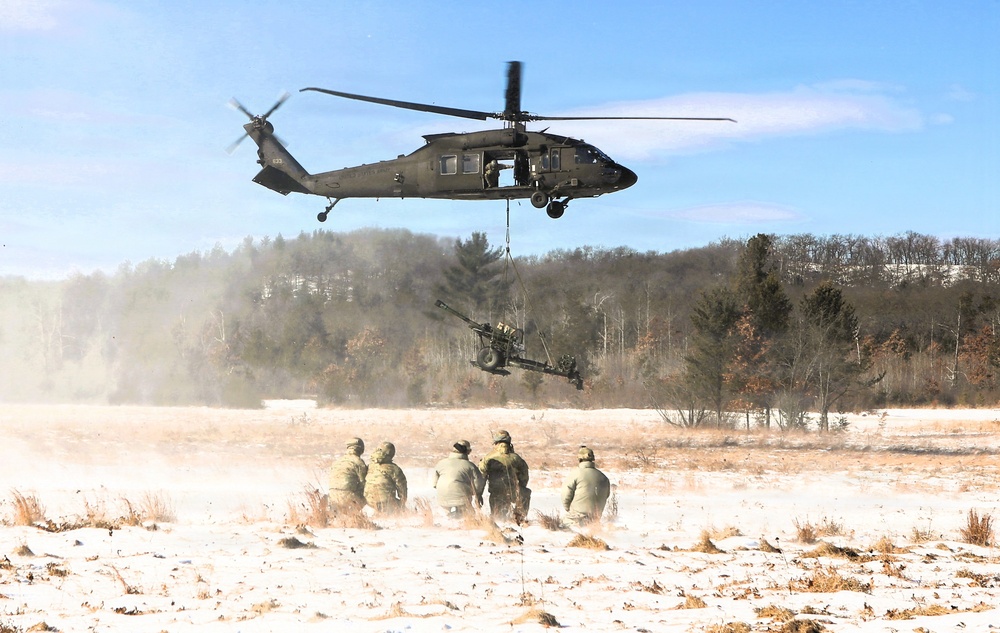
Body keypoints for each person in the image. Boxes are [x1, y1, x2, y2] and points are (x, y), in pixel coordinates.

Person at [479, 430, 530, 521]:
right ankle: (519, 519)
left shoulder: (488, 457)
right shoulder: (516, 457)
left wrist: (479, 493)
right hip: (514, 492)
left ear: (495, 443)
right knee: (525, 493)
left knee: (498, 518)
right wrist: (520, 487)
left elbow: (482, 475)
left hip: (496, 493)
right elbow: (524, 476)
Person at [432, 440, 486, 518]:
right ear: (467, 452)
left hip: (442, 498)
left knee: (446, 517)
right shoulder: (470, 466)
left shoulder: (441, 463)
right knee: (470, 515)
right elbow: (478, 484)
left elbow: (434, 484)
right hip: (462, 499)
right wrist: (475, 493)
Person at [561, 445, 611, 527]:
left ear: (579, 459)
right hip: (595, 519)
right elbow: (607, 495)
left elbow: (565, 494)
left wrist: (568, 509)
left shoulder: (575, 474)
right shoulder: (603, 477)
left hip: (576, 519)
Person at [364, 441, 408, 515]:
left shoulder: (370, 466)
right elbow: (402, 488)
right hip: (386, 502)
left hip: (368, 501)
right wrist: (402, 502)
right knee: (404, 511)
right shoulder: (394, 469)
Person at [328, 437, 368, 514]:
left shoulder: (337, 461)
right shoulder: (359, 462)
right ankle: (352, 514)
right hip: (349, 499)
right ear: (361, 449)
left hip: (332, 497)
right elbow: (364, 482)